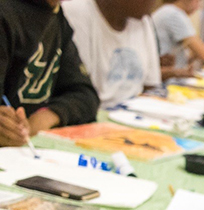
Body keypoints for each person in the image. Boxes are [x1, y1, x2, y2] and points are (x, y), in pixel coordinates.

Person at [0, 0, 99, 146]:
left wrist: (44, 118)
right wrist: (7, 127)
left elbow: (86, 95)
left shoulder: (55, 15)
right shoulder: (6, 12)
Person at [63, 0, 162, 108]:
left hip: (133, 113)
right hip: (93, 113)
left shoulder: (143, 20)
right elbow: (79, 93)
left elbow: (151, 86)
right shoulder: (77, 11)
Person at [152, 0, 204, 70]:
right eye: (197, 1)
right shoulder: (175, 14)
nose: (199, 7)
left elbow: (181, 58)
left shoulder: (168, 10)